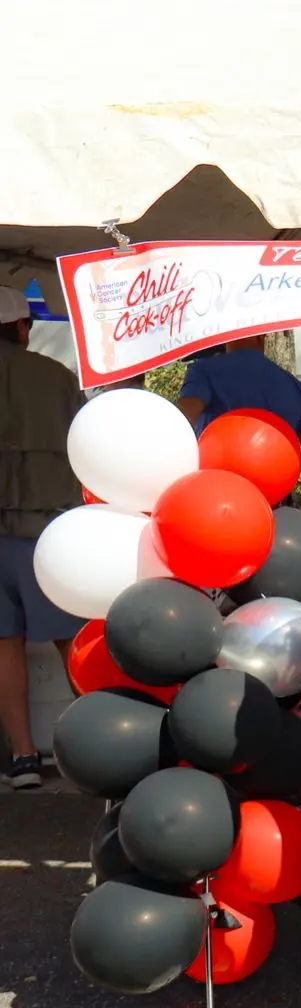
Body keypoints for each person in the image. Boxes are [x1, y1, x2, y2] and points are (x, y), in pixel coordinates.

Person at [0, 286, 85, 788]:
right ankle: (101, 744)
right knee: (69, 640)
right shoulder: (57, 377)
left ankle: (23, 758)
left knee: (4, 644)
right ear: (20, 327)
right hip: (47, 531)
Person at [177, 334, 301, 465]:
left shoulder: (204, 371)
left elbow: (182, 423)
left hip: (216, 479)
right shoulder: (295, 386)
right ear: (261, 337)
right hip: (273, 482)